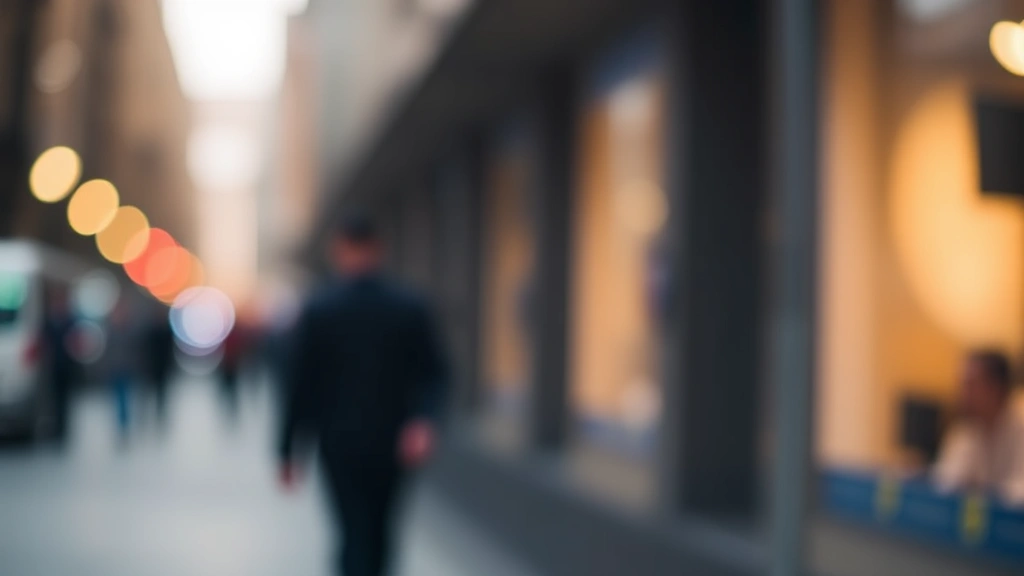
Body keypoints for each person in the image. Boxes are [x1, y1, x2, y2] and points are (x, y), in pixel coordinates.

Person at [278, 214, 448, 576]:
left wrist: (287, 449)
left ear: (339, 250)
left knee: (353, 531)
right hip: (392, 437)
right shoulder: (408, 305)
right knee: (380, 531)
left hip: (341, 441)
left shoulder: (320, 309)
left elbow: (299, 385)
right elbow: (435, 373)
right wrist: (424, 422)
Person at [933, 350, 1024, 504]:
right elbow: (944, 482)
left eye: (970, 385)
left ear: (996, 389)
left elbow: (1019, 492)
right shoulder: (965, 429)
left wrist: (980, 491)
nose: (962, 394)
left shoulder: (1020, 425)